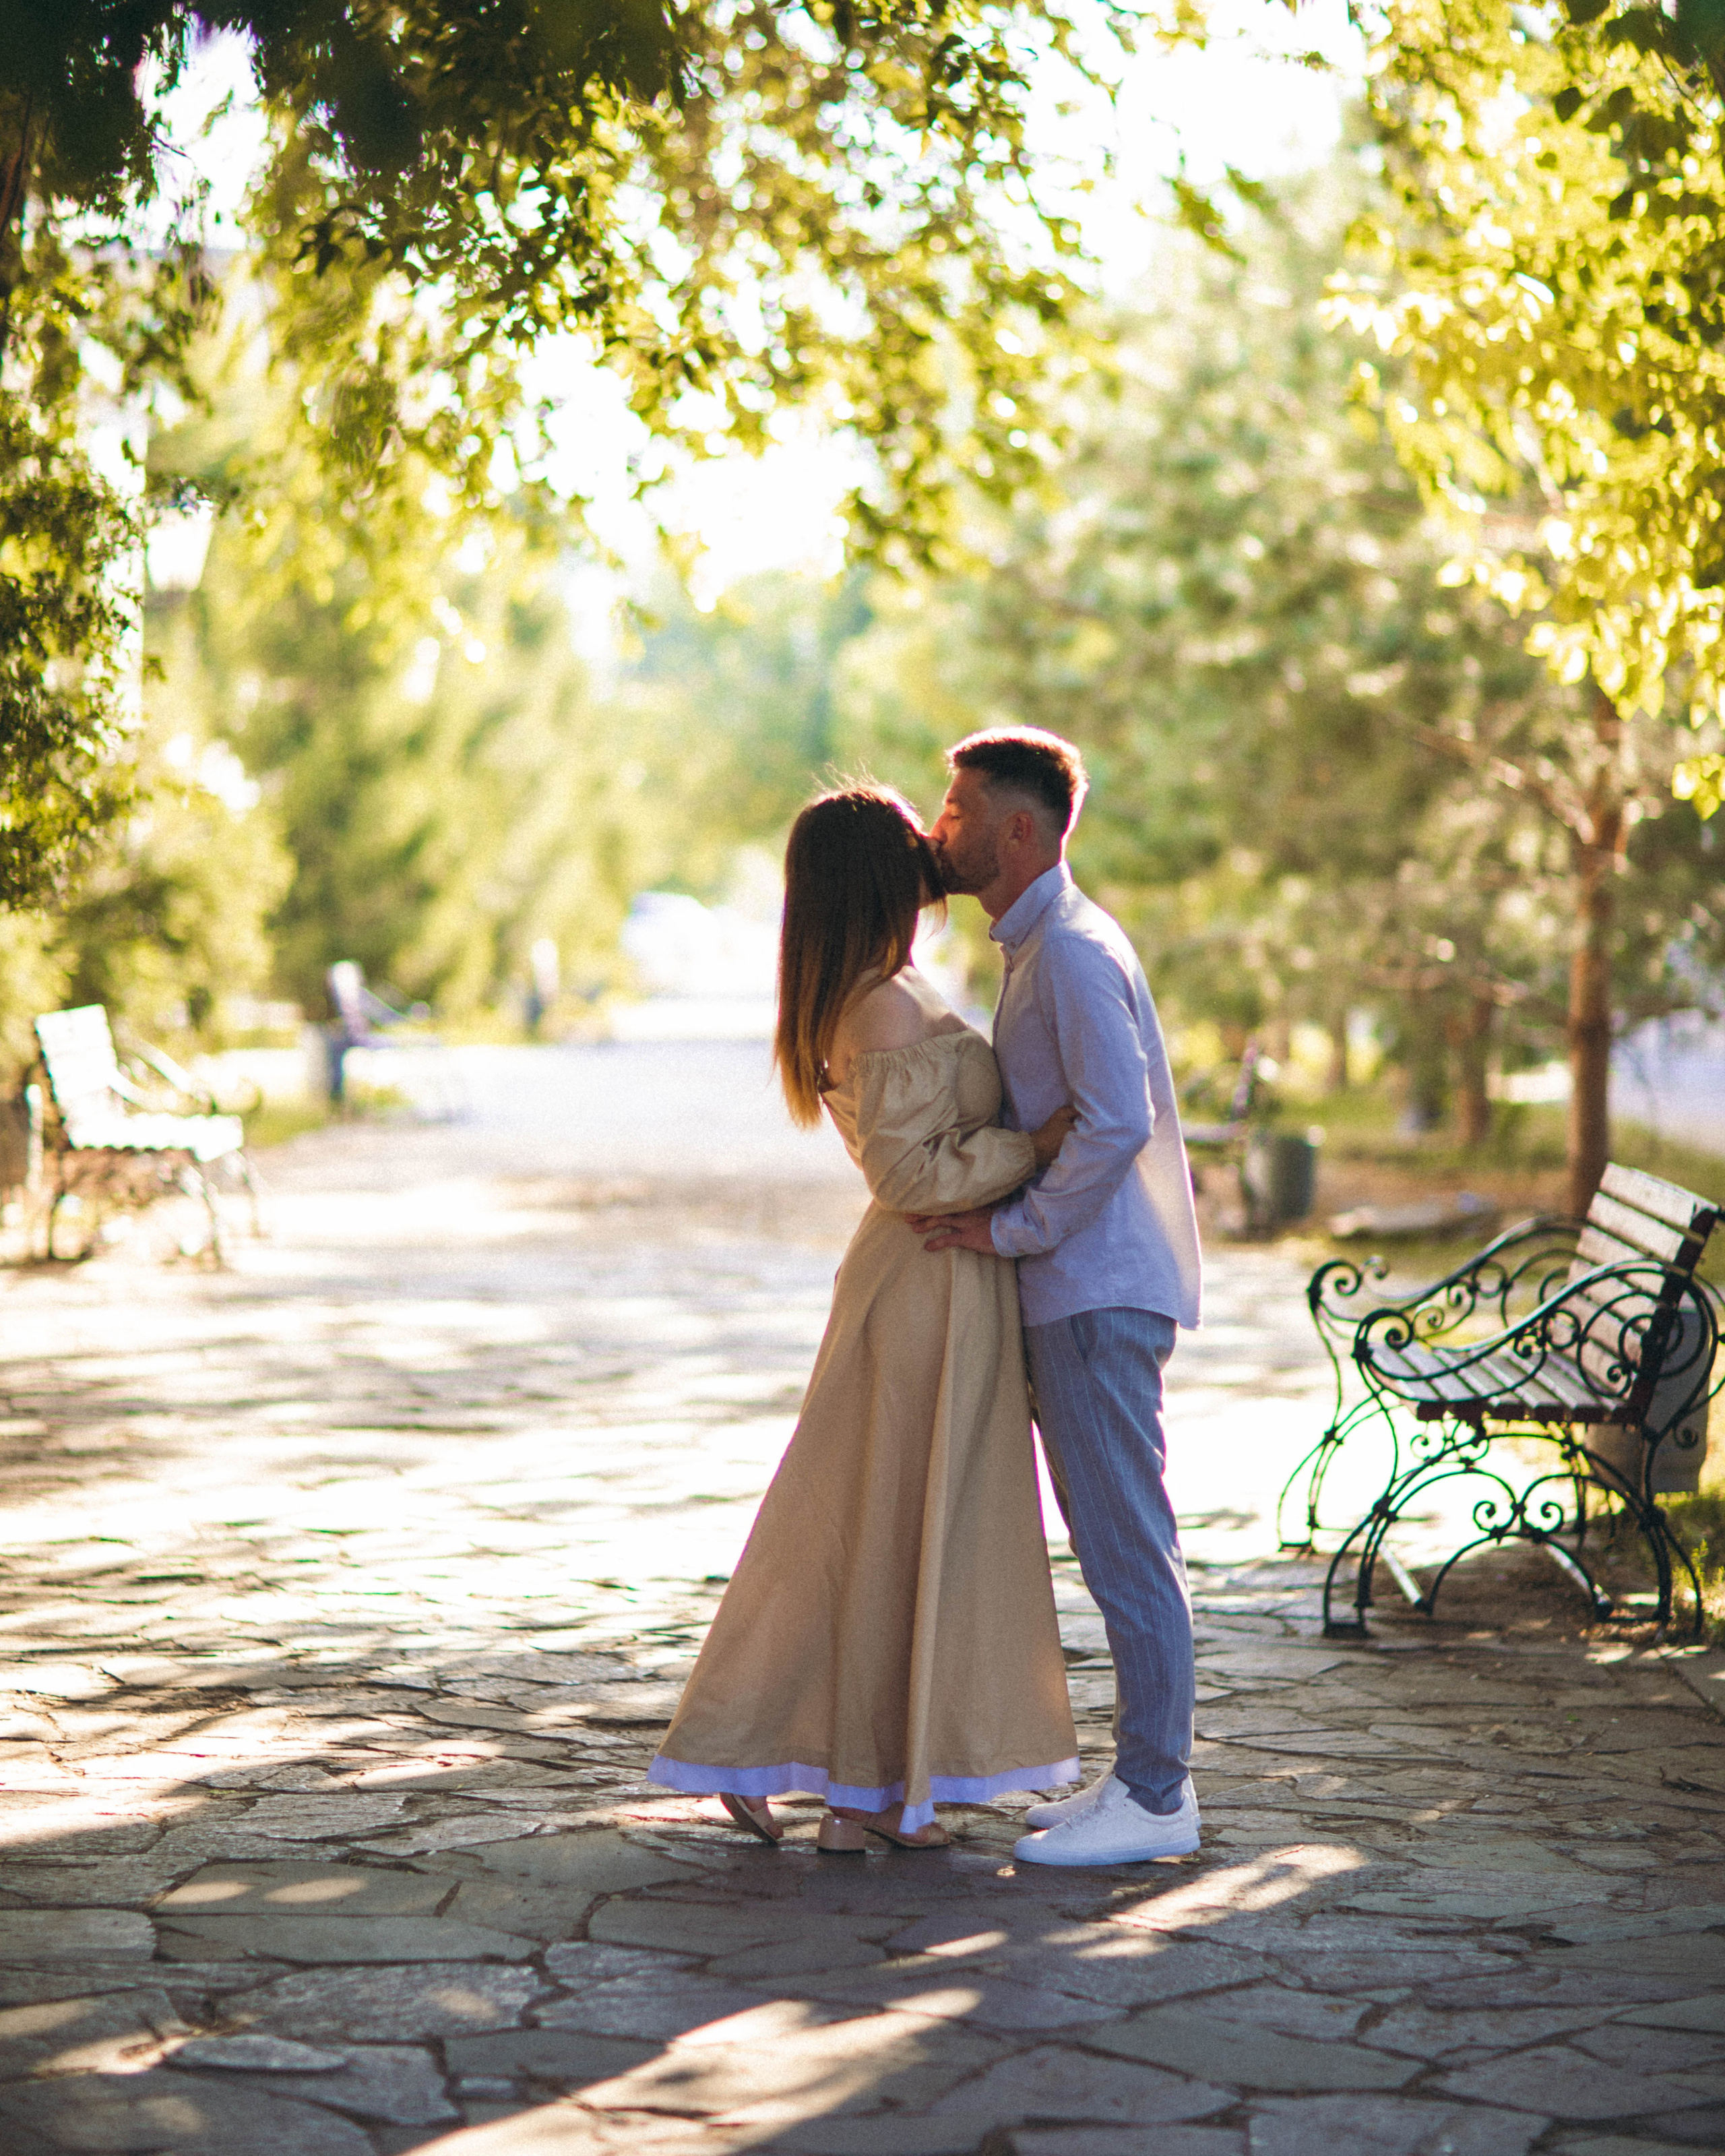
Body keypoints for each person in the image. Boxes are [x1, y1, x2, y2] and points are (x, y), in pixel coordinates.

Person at [649, 783, 1081, 1851]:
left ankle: (847, 1777)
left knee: (880, 1526)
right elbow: (910, 1173)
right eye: (913, 846)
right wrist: (1037, 1148)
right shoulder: (880, 1004)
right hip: (925, 1285)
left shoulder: (886, 987)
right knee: (886, 1527)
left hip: (946, 1284)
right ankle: (855, 1793)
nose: (934, 850)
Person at [914, 727, 1204, 1866]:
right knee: (1115, 1540)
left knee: (1129, 1545)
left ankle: (1156, 1794)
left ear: (1017, 828)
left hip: (1092, 1291)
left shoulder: (1073, 951)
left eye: (957, 810)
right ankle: (1139, 1778)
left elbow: (1116, 1119)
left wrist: (1015, 1228)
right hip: (1079, 1293)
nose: (941, 830)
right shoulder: (1046, 945)